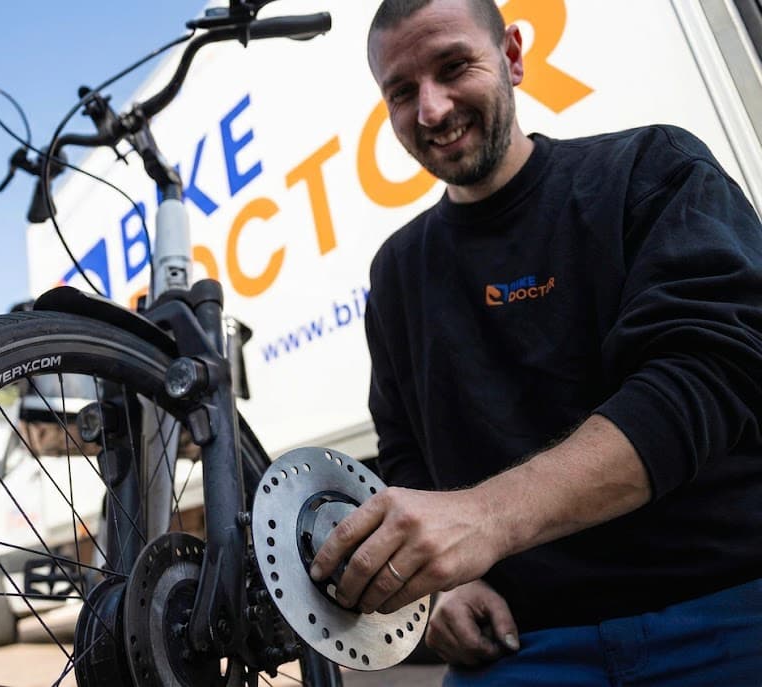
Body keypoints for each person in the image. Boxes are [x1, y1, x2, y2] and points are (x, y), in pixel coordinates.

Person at [308, 0, 762, 684]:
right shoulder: (397, 273)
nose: (431, 109)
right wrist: (446, 586)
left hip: (725, 607)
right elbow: (405, 453)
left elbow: (710, 377)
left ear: (513, 57)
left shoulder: (649, 169)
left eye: (453, 67)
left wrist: (484, 518)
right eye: (401, 92)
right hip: (523, 647)